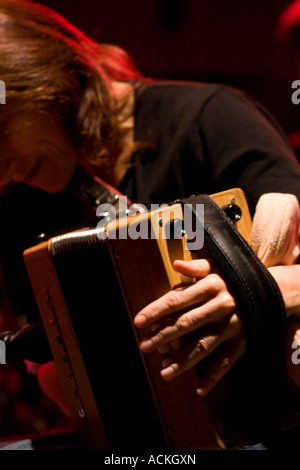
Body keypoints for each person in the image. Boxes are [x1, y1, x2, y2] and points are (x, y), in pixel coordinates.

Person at [0, 0, 300, 448]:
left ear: (37, 81)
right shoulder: (22, 204)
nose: (3, 172)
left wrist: (257, 292)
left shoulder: (210, 118)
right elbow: (49, 368)